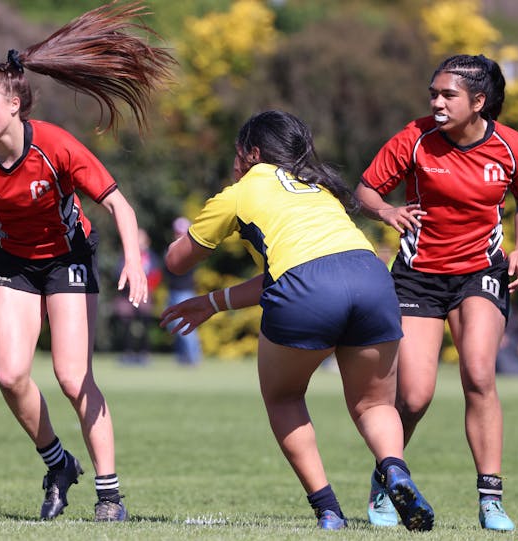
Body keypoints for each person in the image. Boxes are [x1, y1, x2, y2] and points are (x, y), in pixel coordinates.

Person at [0, 1, 173, 522]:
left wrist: (133, 260)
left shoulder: (55, 147)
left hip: (68, 259)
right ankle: (58, 462)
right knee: (10, 375)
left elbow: (118, 203)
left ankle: (109, 495)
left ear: (14, 106)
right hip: (14, 262)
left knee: (72, 377)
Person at [160, 110, 434, 531]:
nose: (234, 163)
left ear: (252, 153)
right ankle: (394, 468)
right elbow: (285, 272)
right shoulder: (317, 186)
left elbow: (177, 262)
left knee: (284, 398)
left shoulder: (239, 192)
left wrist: (201, 224)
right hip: (371, 278)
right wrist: (213, 303)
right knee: (374, 403)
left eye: (237, 154)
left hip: (308, 288)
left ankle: (328, 509)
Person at [355, 54, 518, 532]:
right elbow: (366, 190)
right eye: (433, 93)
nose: (436, 102)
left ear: (478, 102)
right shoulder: (413, 138)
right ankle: (387, 480)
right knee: (414, 397)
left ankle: (491, 500)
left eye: (448, 95)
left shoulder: (513, 147)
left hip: (481, 272)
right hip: (418, 278)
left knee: (479, 374)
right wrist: (387, 213)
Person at [112, 228, 162, 365]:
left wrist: (146, 287)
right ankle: (128, 353)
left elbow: (156, 275)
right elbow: (117, 273)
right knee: (126, 322)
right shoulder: (126, 257)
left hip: (144, 294)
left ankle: (144, 353)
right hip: (126, 296)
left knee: (145, 322)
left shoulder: (151, 257)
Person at [164, 217, 202, 366]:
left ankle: (193, 358)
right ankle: (183, 357)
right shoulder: (172, 248)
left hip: (184, 292)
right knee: (174, 327)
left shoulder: (190, 249)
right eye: (177, 232)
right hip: (173, 291)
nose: (178, 235)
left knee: (185, 328)